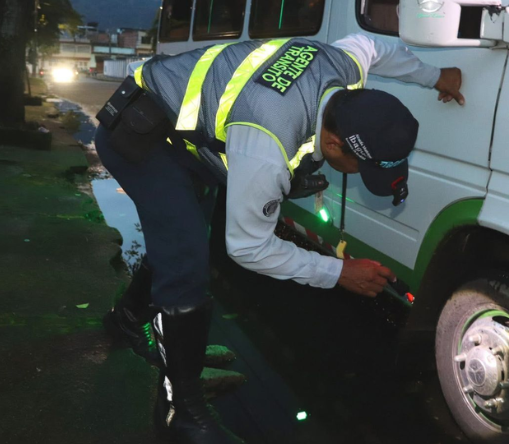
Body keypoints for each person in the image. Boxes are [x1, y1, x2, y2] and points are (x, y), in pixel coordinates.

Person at [95, 33, 464, 443]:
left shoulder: (343, 66)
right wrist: (337, 271)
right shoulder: (268, 143)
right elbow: (248, 247)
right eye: (361, 168)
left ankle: (127, 322)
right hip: (140, 133)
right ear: (333, 142)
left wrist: (436, 76)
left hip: (183, 132)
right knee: (186, 262)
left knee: (180, 240)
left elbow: (375, 46)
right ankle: (183, 411)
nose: (358, 176)